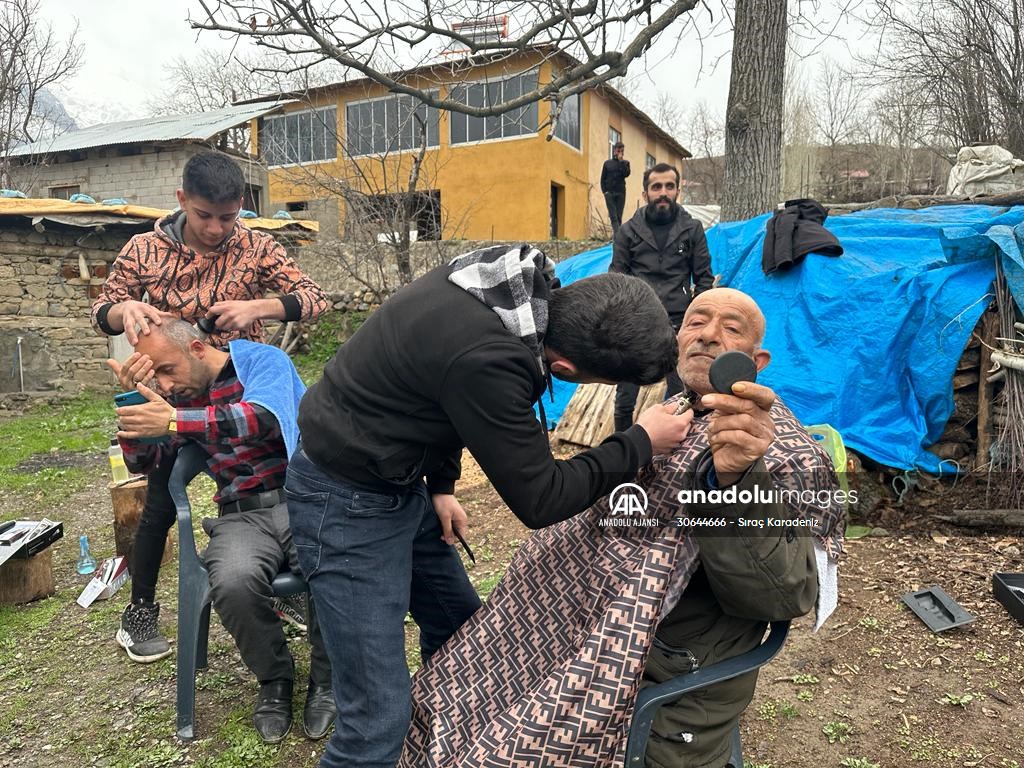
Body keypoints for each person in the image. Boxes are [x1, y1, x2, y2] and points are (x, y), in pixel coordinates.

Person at [285, 243, 696, 768]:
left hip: (396, 476)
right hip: (344, 503)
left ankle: (440, 749)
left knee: (465, 636)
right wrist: (639, 441)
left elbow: (437, 388)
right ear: (567, 368)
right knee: (376, 720)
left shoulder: (508, 289)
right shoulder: (492, 360)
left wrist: (440, 484)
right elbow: (541, 498)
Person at [400, 287, 845, 768]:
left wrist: (735, 483)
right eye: (696, 322)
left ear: (756, 360)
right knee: (450, 691)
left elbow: (783, 595)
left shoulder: (783, 451)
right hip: (576, 611)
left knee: (503, 750)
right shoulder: (672, 414)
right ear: (676, 341)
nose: (709, 335)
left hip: (661, 650)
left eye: (731, 328)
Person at [93, 151, 327, 664]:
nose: (217, 228)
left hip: (238, 379)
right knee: (158, 497)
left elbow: (313, 298)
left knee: (268, 479)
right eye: (204, 216)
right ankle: (140, 611)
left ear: (240, 205)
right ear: (181, 201)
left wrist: (260, 306)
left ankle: (281, 580)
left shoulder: (256, 245)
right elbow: (101, 312)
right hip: (172, 382)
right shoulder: (144, 249)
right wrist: (121, 309)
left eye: (228, 216)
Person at [111, 320, 336, 743]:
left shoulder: (262, 362)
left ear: (196, 348)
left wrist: (175, 420)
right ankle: (275, 680)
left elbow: (264, 418)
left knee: (329, 562)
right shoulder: (177, 399)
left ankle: (328, 678)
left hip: (302, 498)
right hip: (240, 515)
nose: (164, 383)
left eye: (166, 369)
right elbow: (143, 464)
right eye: (154, 375)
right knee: (232, 582)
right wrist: (131, 406)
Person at [609, 161, 715, 433]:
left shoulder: (691, 229)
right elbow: (616, 279)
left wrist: (697, 320)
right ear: (646, 193)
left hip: (677, 322)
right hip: (638, 322)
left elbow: (703, 278)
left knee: (681, 394)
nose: (663, 192)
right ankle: (623, 449)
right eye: (656, 187)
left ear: (678, 190)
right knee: (624, 398)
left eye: (669, 186)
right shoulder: (628, 231)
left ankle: (677, 452)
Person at [601, 141, 630, 234]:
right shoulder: (607, 163)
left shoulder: (626, 163)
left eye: (622, 151)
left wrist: (621, 162)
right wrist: (605, 191)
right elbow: (603, 178)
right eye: (618, 151)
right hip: (609, 193)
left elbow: (626, 174)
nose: (620, 153)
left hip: (621, 193)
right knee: (613, 216)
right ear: (614, 151)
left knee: (618, 216)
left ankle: (617, 237)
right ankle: (618, 237)